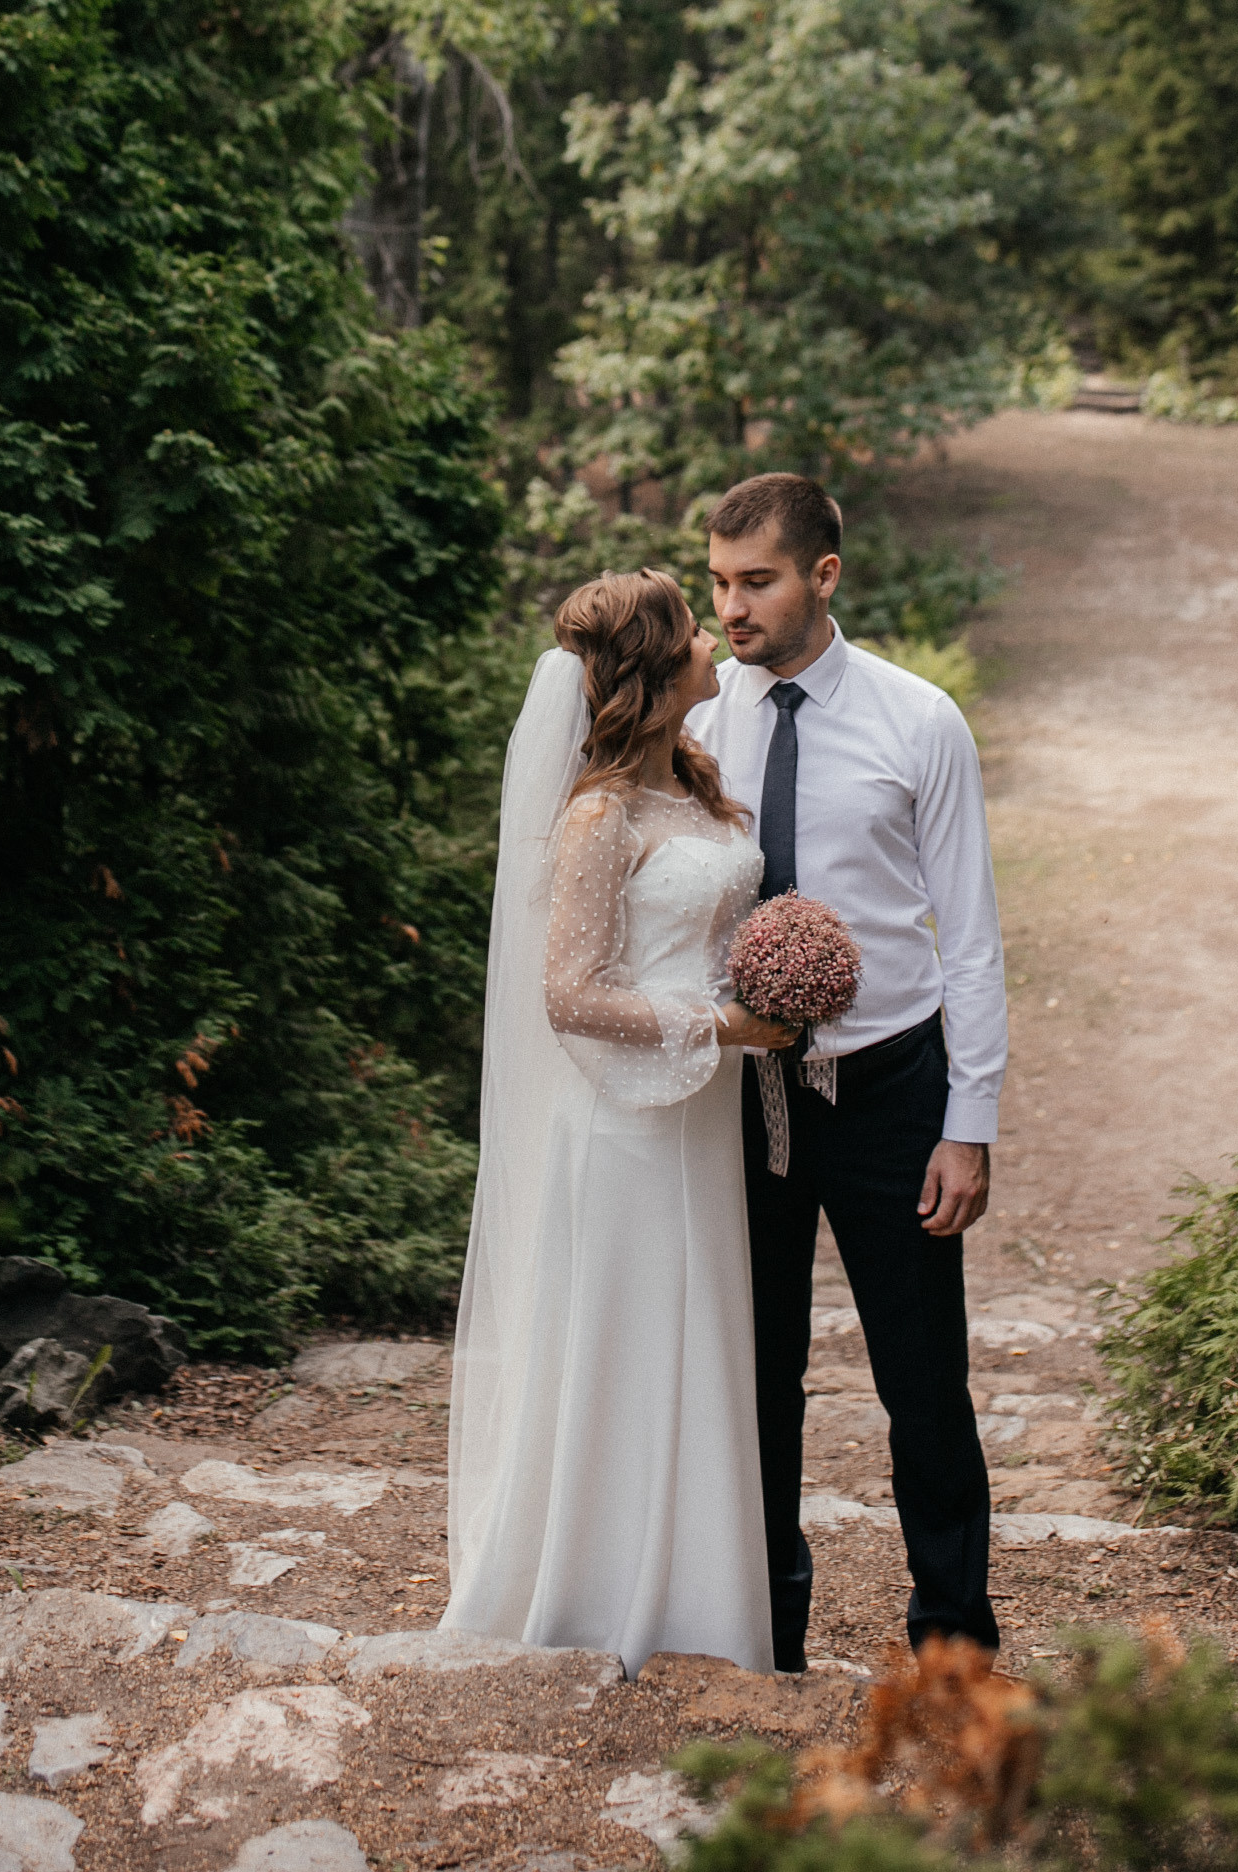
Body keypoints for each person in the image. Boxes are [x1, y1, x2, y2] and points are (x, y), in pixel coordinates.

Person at [444, 569, 800, 1677]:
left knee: (700, 1344)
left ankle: (699, 1596)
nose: (710, 637)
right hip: (623, 1130)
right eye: (691, 629)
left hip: (703, 1126)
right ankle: (593, 1589)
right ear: (648, 675)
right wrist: (727, 1026)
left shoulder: (692, 786)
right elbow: (569, 995)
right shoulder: (597, 815)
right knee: (625, 1346)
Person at [689, 470, 1008, 1673]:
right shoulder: (697, 721)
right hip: (741, 1104)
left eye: (756, 581)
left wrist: (965, 1123)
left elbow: (967, 937)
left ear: (823, 575)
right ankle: (764, 1625)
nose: (731, 608)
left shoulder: (917, 720)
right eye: (718, 582)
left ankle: (952, 1637)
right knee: (755, 1378)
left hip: (890, 1092)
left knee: (923, 1383)